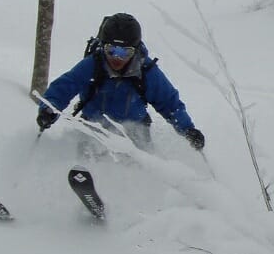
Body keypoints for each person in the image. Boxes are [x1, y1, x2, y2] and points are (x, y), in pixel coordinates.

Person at [36, 12, 205, 152]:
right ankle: (84, 177)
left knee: (138, 159)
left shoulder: (145, 71)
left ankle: (141, 184)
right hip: (94, 126)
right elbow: (65, 86)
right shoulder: (93, 64)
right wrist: (49, 109)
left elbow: (169, 103)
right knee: (88, 152)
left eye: (125, 52)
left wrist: (188, 129)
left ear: (136, 50)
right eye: (111, 50)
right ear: (103, 47)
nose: (117, 57)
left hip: (135, 129)